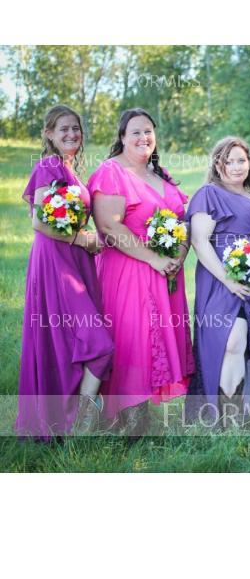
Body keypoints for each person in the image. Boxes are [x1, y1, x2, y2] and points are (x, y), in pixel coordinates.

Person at [88, 108, 194, 436]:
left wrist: (178, 255)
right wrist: (153, 259)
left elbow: (181, 222)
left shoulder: (161, 176)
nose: (143, 137)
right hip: (128, 270)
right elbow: (109, 227)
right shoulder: (112, 172)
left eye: (148, 131)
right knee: (131, 337)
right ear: (122, 137)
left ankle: (141, 411)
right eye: (135, 132)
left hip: (166, 273)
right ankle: (122, 415)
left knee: (154, 339)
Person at [16, 105, 113, 439]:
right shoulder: (47, 166)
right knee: (98, 343)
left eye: (76, 128)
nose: (72, 134)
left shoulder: (71, 169)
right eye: (64, 129)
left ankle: (70, 419)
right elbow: (38, 220)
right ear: (49, 134)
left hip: (76, 261)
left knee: (70, 338)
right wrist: (82, 239)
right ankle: (80, 420)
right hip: (55, 262)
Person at [185, 136, 250, 426]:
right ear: (218, 165)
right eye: (229, 161)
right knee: (230, 341)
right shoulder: (210, 193)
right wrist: (228, 280)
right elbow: (200, 241)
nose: (237, 166)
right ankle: (226, 417)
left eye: (241, 160)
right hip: (223, 280)